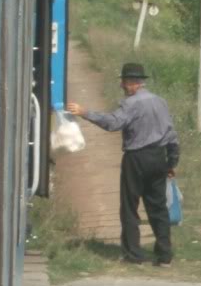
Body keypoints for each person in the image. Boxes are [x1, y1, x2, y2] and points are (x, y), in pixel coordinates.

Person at [67, 63, 180, 266]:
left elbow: (112, 123)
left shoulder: (131, 105)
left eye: (124, 82)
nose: (122, 85)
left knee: (129, 206)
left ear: (132, 83)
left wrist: (84, 112)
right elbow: (172, 134)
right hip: (158, 157)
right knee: (158, 207)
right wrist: (171, 162)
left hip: (136, 158)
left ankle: (133, 254)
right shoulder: (160, 102)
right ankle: (165, 254)